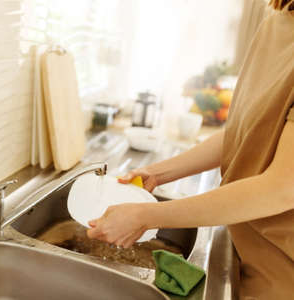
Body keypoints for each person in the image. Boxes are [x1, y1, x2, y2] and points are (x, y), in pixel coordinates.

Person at [86, 1, 294, 299]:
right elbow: (246, 134)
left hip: (282, 272)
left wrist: (147, 215)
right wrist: (157, 172)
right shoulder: (276, 23)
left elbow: (281, 188)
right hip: (244, 248)